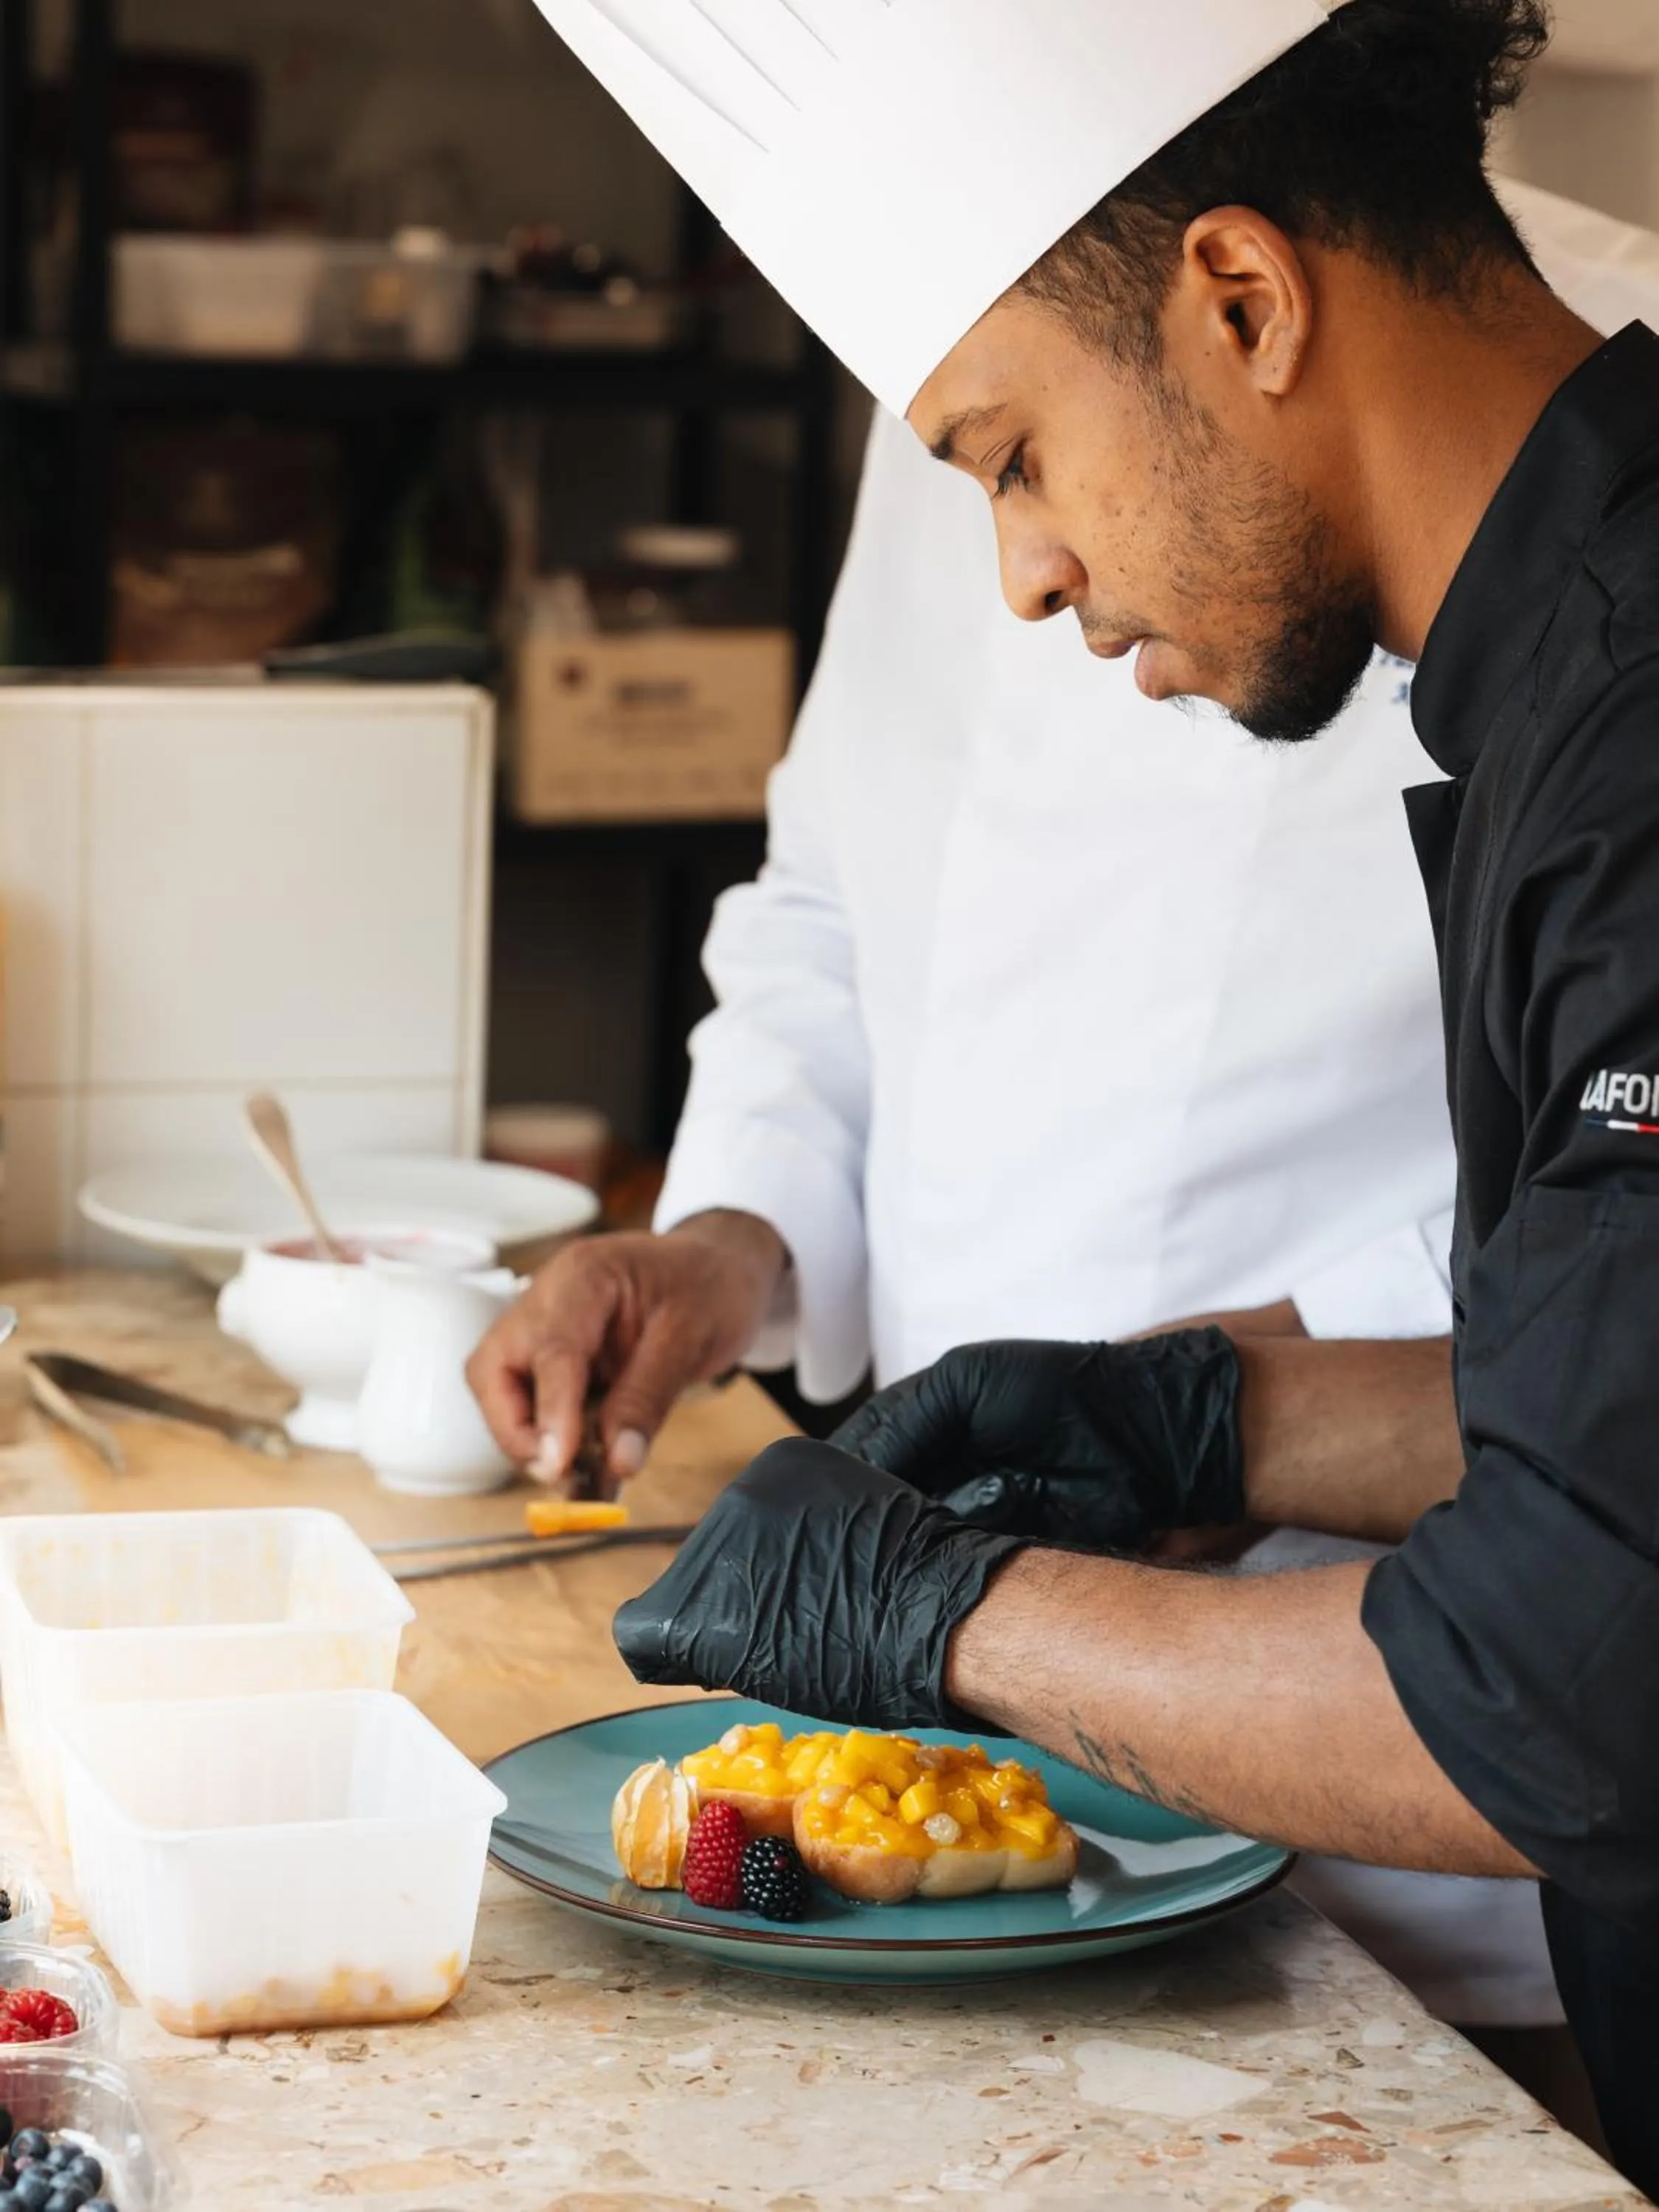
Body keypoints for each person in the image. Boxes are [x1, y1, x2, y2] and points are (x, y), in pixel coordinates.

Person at [528, 0, 1659, 2187]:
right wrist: (1215, 1413)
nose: (1024, 575)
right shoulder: (1559, 642)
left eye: (1018, 459)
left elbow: (1575, 1673)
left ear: (1239, 296)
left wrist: (946, 1619)